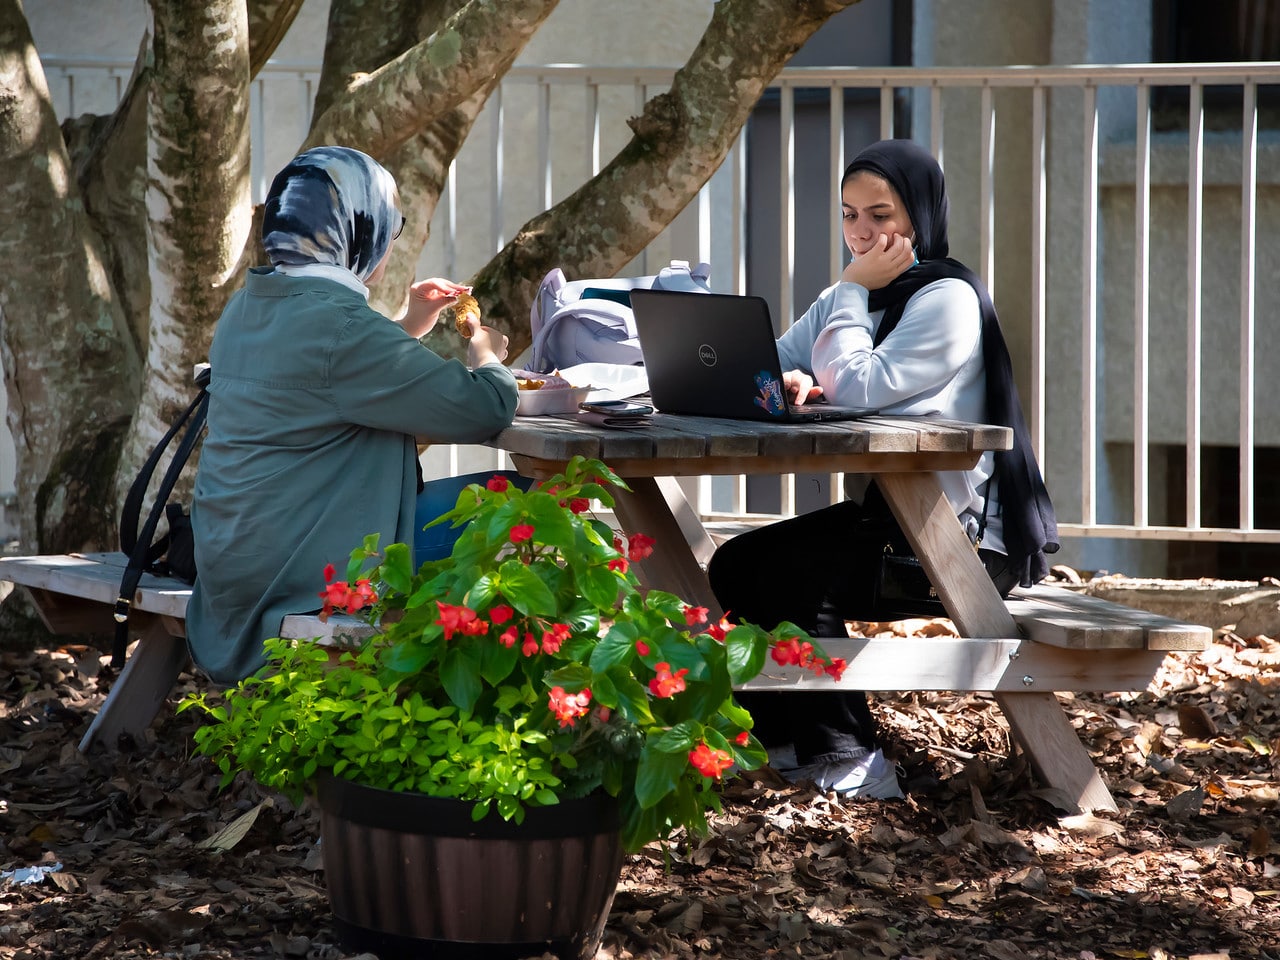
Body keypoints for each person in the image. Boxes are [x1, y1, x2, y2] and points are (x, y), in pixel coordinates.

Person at [708, 138, 1058, 799]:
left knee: (789, 575)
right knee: (735, 567)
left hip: (956, 543)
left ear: (919, 217)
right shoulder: (853, 291)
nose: (862, 233)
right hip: (895, 523)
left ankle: (853, 761)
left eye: (880, 215)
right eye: (848, 215)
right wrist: (783, 376)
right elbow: (771, 360)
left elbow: (860, 386)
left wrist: (847, 296)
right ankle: (788, 742)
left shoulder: (945, 298)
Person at [186, 146, 518, 684]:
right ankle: (476, 696)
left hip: (235, 568)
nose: (391, 242)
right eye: (391, 227)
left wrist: (408, 323)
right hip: (305, 575)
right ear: (358, 232)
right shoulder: (342, 328)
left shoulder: (247, 307)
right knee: (522, 499)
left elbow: (318, 380)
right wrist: (486, 351)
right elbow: (485, 408)